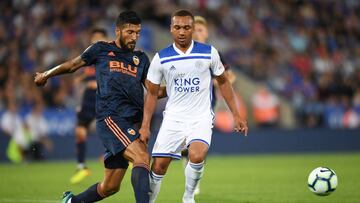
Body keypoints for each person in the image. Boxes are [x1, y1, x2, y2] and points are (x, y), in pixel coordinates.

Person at [35, 11, 151, 203]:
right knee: (141, 157)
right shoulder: (101, 49)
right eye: (130, 32)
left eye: (137, 33)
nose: (134, 37)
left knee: (110, 187)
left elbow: (153, 90)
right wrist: (46, 74)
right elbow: (73, 65)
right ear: (118, 31)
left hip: (131, 122)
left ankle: (71, 201)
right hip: (111, 118)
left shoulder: (141, 59)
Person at [139, 10, 248, 203]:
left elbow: (224, 82)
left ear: (192, 29)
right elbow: (153, 93)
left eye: (186, 27)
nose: (182, 32)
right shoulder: (161, 58)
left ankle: (188, 197)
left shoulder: (209, 52)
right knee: (159, 166)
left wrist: (236, 115)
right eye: (177, 27)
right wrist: (145, 125)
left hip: (201, 117)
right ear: (171, 29)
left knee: (197, 155)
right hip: (173, 118)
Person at [181, 15, 237, 195]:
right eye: (194, 29)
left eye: (200, 30)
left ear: (206, 33)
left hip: (205, 106)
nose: (197, 33)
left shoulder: (213, 53)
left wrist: (217, 81)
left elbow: (230, 76)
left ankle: (193, 182)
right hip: (182, 105)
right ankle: (191, 179)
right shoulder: (183, 52)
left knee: (197, 147)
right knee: (185, 146)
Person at [70, 28, 108, 184]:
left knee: (113, 129)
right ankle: (81, 167)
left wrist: (97, 84)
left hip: (104, 98)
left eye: (99, 39)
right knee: (80, 130)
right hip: (87, 100)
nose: (95, 42)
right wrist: (78, 102)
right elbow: (78, 81)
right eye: (94, 39)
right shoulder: (88, 57)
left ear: (105, 39)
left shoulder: (110, 56)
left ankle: (120, 156)